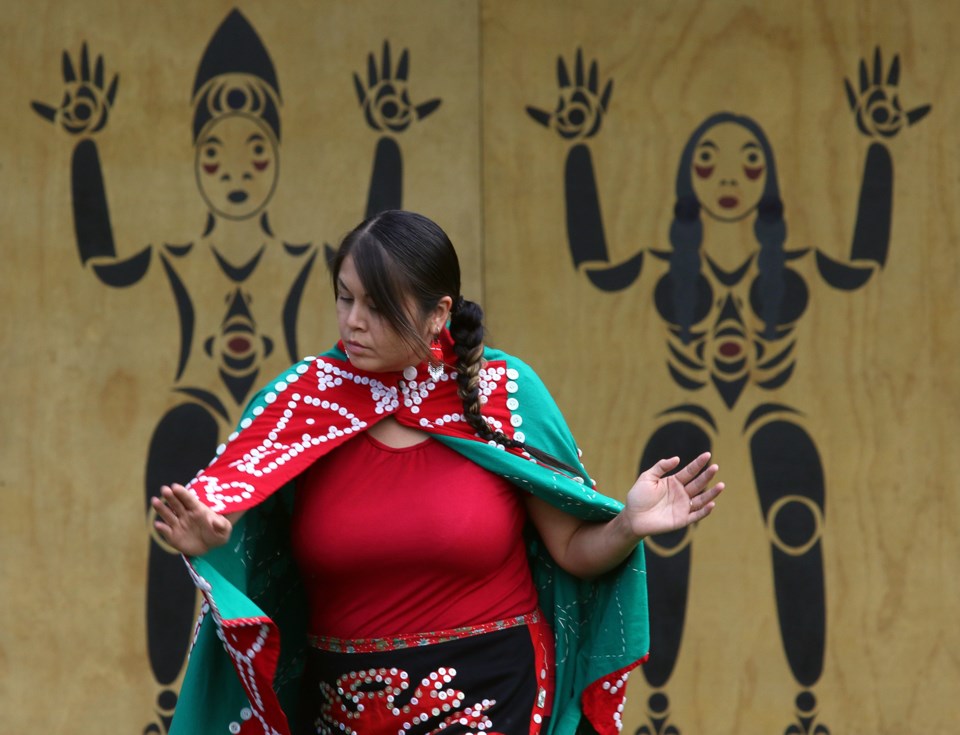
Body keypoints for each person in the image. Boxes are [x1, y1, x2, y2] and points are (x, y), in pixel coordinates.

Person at [153, 209, 724, 735]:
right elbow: (234, 523)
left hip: (494, 697)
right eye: (345, 298)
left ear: (438, 314)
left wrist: (627, 524)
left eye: (378, 307)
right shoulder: (300, 402)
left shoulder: (504, 394)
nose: (354, 322)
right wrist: (208, 543)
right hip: (344, 710)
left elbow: (572, 548)